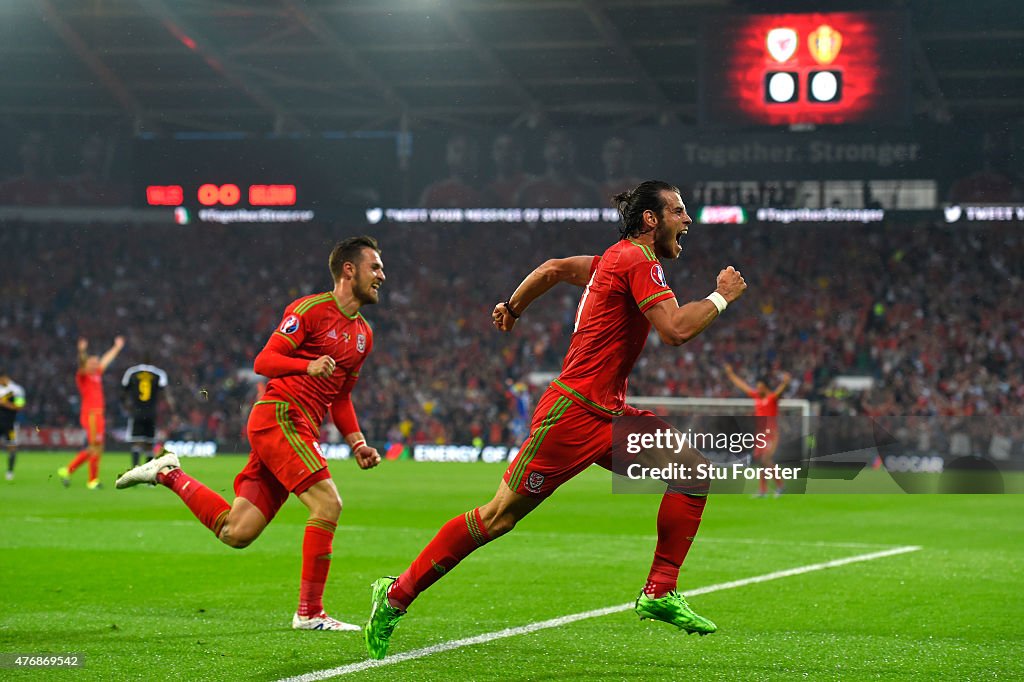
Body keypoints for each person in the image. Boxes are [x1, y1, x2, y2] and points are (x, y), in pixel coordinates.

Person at [365, 180, 747, 659]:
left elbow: (551, 269)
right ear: (651, 219)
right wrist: (721, 296)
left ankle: (659, 592)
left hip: (608, 413)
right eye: (678, 211)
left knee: (691, 472)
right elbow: (675, 330)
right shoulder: (637, 260)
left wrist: (513, 307)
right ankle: (395, 594)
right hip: (572, 414)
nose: (686, 220)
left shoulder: (611, 261)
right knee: (497, 518)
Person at [115, 236, 385, 631]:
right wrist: (307, 366)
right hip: (280, 416)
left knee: (236, 532)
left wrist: (357, 443)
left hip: (300, 426)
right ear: (350, 270)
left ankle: (167, 472)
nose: (382, 275)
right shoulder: (309, 310)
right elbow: (265, 360)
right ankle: (310, 613)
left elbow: (341, 397)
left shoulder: (363, 334)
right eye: (374, 267)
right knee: (328, 504)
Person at [59, 336, 124, 489]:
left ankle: (69, 471)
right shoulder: (83, 376)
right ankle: (91, 480)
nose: (96, 364)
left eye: (96, 362)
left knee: (98, 448)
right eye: (92, 362)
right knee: (94, 447)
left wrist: (117, 347)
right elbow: (82, 362)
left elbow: (106, 360)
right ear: (86, 364)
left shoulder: (96, 373)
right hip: (91, 415)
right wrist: (82, 351)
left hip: (98, 415)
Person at [723, 364, 791, 498]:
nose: (757, 388)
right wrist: (731, 375)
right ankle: (763, 490)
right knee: (762, 461)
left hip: (771, 434)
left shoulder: (771, 398)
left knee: (766, 459)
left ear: (764, 386)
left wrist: (785, 382)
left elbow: (779, 391)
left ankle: (780, 486)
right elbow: (742, 386)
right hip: (760, 434)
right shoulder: (756, 396)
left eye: (759, 386)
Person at [121, 360, 170, 469]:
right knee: (149, 445)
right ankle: (148, 475)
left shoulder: (132, 372)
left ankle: (135, 472)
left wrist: (126, 406)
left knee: (136, 443)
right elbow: (165, 393)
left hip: (137, 412)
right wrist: (170, 410)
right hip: (151, 413)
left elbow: (124, 392)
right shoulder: (158, 374)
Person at [0, 370, 26, 481]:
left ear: (5, 378)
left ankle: (10, 472)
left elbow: (20, 406)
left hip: (10, 424)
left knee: (11, 447)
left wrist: (5, 403)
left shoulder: (16, 390)